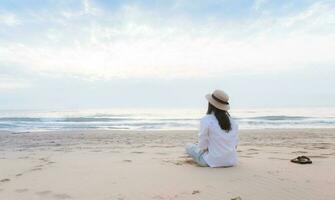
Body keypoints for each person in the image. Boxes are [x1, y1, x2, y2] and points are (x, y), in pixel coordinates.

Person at [186, 89, 239, 167]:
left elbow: (202, 145)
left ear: (210, 104)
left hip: (212, 162)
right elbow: (235, 145)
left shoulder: (206, 120)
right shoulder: (233, 122)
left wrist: (205, 149)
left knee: (188, 147)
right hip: (231, 161)